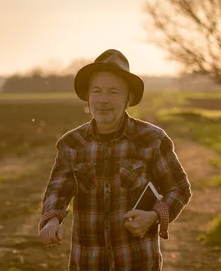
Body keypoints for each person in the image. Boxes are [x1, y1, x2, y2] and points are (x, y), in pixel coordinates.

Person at [37, 49, 192, 270]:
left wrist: (153, 216)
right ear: (88, 97)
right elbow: (58, 190)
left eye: (113, 92)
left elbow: (179, 187)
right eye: (97, 91)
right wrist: (52, 220)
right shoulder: (71, 143)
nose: (103, 100)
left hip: (137, 260)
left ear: (128, 98)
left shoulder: (152, 139)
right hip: (88, 261)